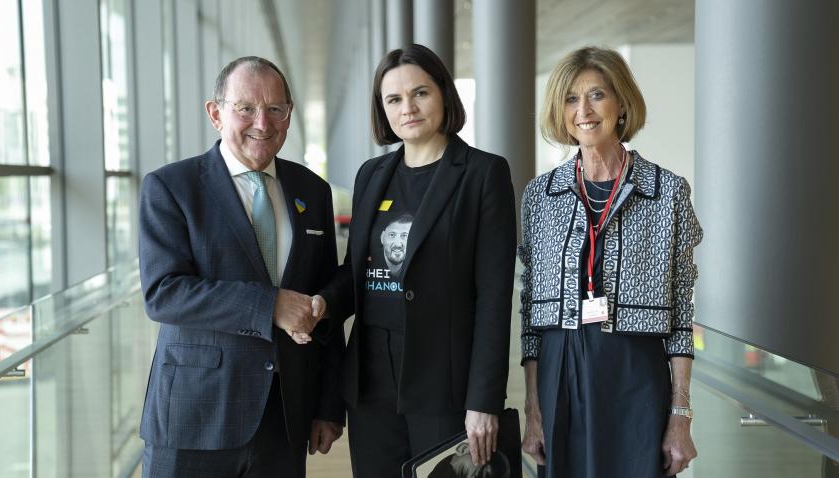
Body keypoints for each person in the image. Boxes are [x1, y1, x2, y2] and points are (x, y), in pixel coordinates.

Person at [138, 56, 344, 478]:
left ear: (289, 116)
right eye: (245, 108)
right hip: (195, 416)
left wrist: (328, 405)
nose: (262, 124)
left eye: (275, 109)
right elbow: (164, 293)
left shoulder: (312, 191)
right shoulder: (171, 187)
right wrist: (269, 306)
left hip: (284, 416)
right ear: (216, 113)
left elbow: (324, 305)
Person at [316, 44, 517, 476]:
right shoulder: (372, 175)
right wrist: (321, 304)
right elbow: (356, 276)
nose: (408, 107)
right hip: (371, 382)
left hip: (443, 381)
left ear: (444, 94)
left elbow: (494, 297)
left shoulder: (483, 174)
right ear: (382, 109)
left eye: (420, 93)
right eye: (394, 99)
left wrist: (483, 400)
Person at [518, 46, 702, 478]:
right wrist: (533, 409)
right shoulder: (540, 196)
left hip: (635, 372)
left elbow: (681, 313)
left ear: (621, 104)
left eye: (597, 94)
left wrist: (680, 416)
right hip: (559, 368)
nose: (583, 109)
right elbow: (530, 315)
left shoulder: (665, 193)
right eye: (570, 98)